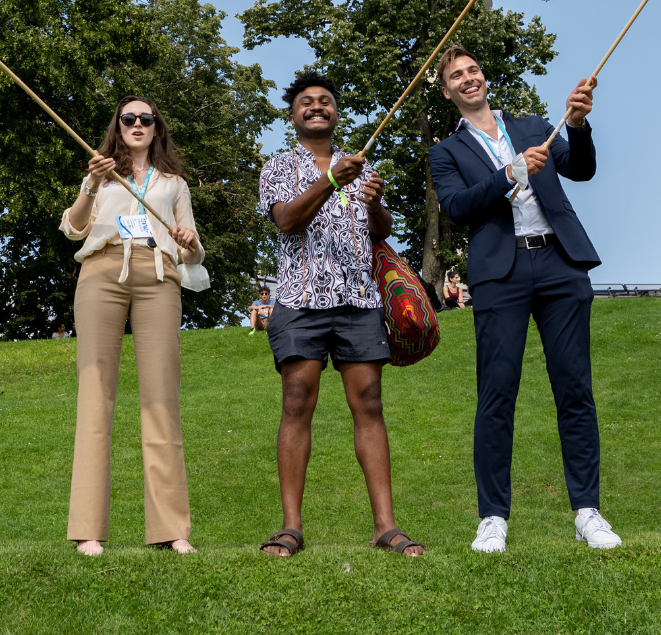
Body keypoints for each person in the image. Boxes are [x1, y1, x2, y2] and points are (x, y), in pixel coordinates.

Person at [428, 45, 621, 553]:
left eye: (473, 70)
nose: (468, 79)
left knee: (575, 390)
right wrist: (511, 173)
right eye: (456, 76)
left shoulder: (536, 125)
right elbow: (457, 204)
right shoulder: (446, 152)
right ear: (447, 91)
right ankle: (493, 517)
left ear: (484, 78)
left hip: (560, 263)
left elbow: (581, 170)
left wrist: (576, 125)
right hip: (500, 273)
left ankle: (587, 511)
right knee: (497, 395)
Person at [256, 71, 424, 558]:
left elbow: (381, 230)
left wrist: (374, 204)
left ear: (335, 113)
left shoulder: (361, 166)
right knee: (296, 402)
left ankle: (385, 527)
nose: (316, 107)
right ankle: (291, 526)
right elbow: (286, 221)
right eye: (306, 102)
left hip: (359, 300)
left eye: (325, 101)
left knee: (369, 403)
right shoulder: (278, 167)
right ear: (293, 116)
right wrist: (332, 181)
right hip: (300, 300)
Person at [59, 96, 210, 557]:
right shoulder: (101, 174)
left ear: (157, 128)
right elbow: (73, 228)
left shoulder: (174, 183)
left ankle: (170, 528)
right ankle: (88, 529)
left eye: (146, 119)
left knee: (161, 397)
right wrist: (90, 182)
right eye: (129, 119)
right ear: (118, 127)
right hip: (102, 273)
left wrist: (189, 243)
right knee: (95, 395)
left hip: (158, 275)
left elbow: (193, 254)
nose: (138, 124)